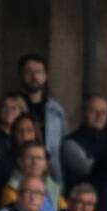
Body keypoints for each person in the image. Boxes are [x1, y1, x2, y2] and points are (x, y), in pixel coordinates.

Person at [17, 53, 68, 181]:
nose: (34, 77)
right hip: (20, 170)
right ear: (21, 75)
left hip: (52, 173)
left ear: (46, 76)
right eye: (29, 72)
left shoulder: (56, 110)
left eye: (38, 72)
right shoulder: (13, 107)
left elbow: (63, 144)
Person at [61, 95, 107, 190]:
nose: (99, 116)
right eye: (93, 111)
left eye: (103, 112)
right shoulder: (71, 143)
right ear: (84, 113)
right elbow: (89, 169)